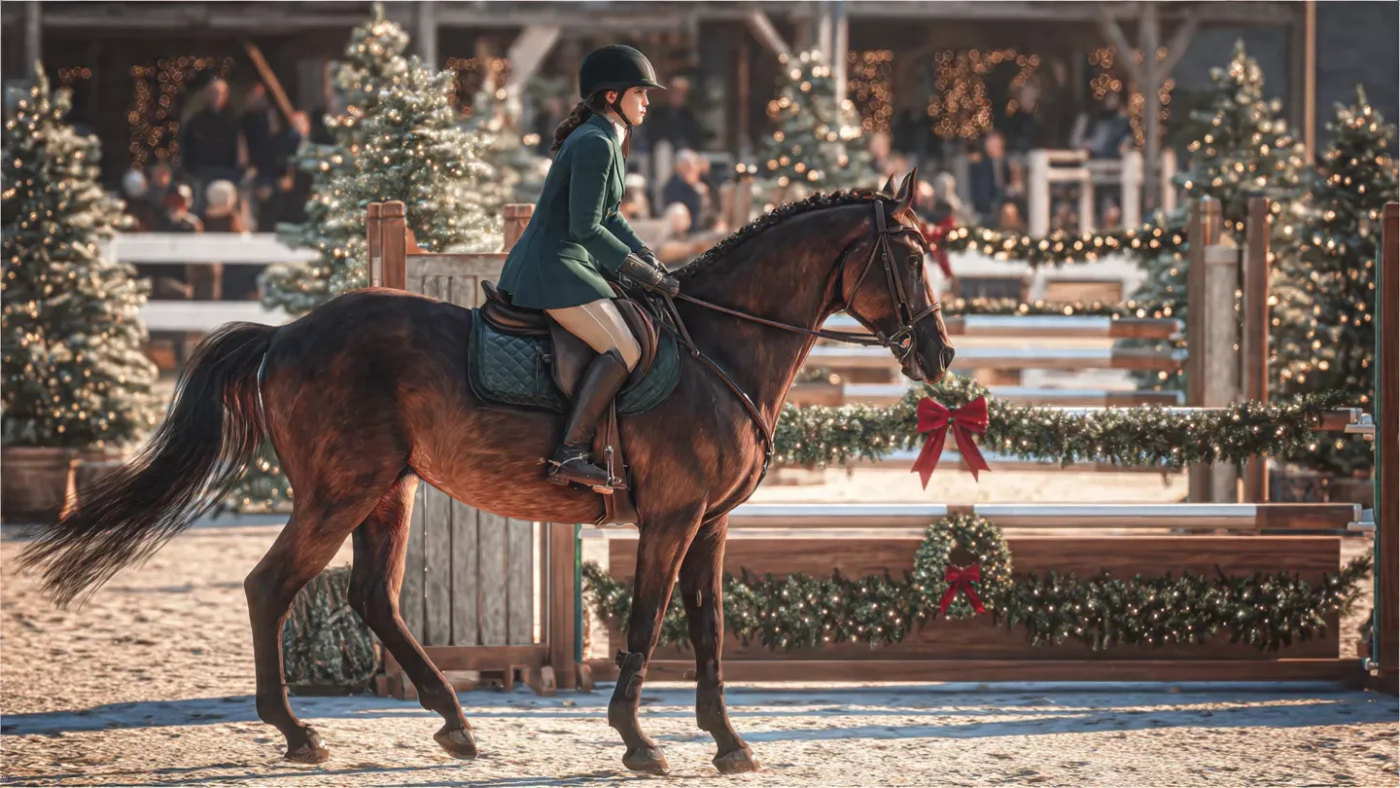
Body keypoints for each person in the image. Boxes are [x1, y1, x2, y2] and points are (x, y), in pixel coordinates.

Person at [496, 44, 677, 492]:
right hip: (553, 267)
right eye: (640, 92)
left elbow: (611, 215)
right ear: (612, 96)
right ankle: (570, 453)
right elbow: (585, 227)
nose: (647, 101)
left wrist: (645, 254)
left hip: (569, 261)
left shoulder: (608, 137)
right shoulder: (596, 142)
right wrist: (641, 273)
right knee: (626, 348)